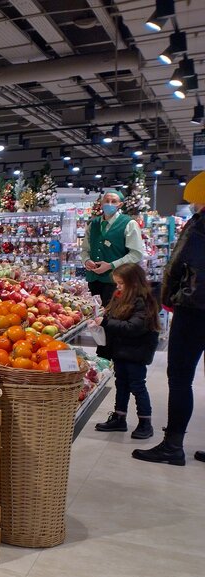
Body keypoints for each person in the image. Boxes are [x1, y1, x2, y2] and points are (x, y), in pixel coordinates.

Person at [133, 173, 205, 467]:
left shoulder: (200, 225)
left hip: (195, 307)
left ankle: (173, 445)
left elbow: (177, 263)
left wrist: (166, 297)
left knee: (180, 377)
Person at [92, 263, 159, 439]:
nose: (118, 287)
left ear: (134, 283)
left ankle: (145, 422)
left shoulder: (142, 301)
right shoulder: (121, 296)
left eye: (121, 283)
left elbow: (134, 327)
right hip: (121, 349)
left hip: (136, 352)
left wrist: (106, 323)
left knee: (137, 386)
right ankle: (119, 417)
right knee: (121, 384)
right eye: (117, 283)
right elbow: (114, 317)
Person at [81, 191, 146, 306]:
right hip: (93, 280)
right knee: (93, 317)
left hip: (117, 282)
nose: (109, 204)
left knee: (113, 317)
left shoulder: (129, 224)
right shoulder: (93, 224)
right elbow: (85, 249)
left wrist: (111, 265)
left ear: (120, 205)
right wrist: (86, 260)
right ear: (101, 203)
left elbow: (136, 254)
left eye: (113, 201)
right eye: (106, 201)